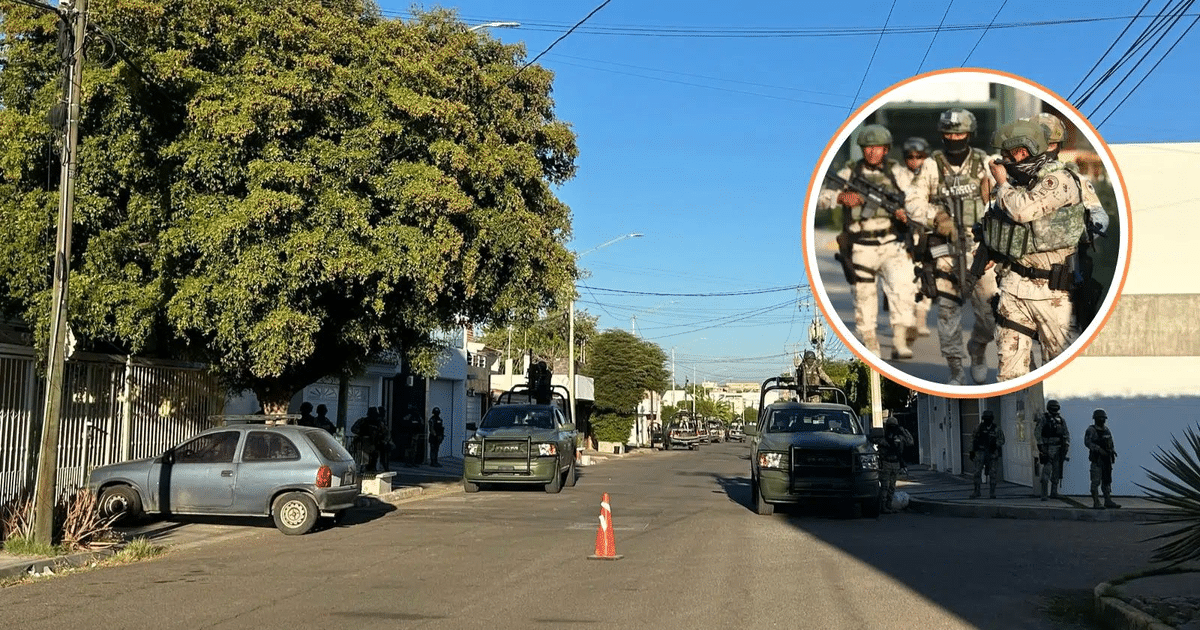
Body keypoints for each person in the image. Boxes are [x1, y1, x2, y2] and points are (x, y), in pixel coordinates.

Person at [984, 119, 1093, 380]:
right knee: (1009, 374)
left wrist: (1002, 184)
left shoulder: (1058, 179)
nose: (1004, 161)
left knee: (1059, 373)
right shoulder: (1020, 181)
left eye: (1007, 155)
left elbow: (1022, 210)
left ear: (1022, 151)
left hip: (1052, 293)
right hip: (1014, 287)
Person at [817, 124, 924, 359]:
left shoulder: (897, 173)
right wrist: (840, 197)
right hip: (861, 244)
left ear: (886, 150)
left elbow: (917, 197)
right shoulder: (849, 173)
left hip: (891, 242)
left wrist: (907, 213)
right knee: (864, 296)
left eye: (877, 148)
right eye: (867, 148)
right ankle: (871, 341)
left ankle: (899, 340)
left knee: (903, 290)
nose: (872, 152)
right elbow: (821, 198)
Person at [918, 108, 999, 385]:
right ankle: (955, 370)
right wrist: (937, 217)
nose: (954, 138)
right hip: (946, 249)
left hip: (980, 246)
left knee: (991, 312)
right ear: (942, 135)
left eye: (960, 133)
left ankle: (977, 348)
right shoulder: (931, 166)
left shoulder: (984, 163)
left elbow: (1001, 197)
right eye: (949, 133)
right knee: (947, 310)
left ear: (970, 134)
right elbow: (914, 202)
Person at [899, 136, 935, 338]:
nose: (915, 161)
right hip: (904, 233)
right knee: (905, 279)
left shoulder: (932, 174)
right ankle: (906, 320)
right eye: (910, 157)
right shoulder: (898, 176)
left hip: (927, 231)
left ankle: (920, 318)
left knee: (926, 275)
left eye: (919, 157)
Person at [1084, 408, 1120, 509]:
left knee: (1107, 480)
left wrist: (1111, 451)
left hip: (1106, 460)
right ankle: (1096, 502)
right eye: (1100, 418)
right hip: (1097, 459)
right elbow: (1087, 442)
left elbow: (1110, 442)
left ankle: (1107, 500)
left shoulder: (1106, 430)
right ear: (1095, 419)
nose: (1102, 420)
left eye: (1103, 418)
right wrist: (1098, 449)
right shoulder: (1091, 430)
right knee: (1095, 481)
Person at [878, 414, 914, 513]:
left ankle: (888, 506)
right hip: (886, 462)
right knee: (885, 486)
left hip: (896, 463)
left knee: (892, 487)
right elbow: (879, 445)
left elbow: (910, 442)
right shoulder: (884, 437)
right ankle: (883, 506)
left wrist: (903, 431)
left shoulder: (900, 436)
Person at [1035, 399, 1070, 500]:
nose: (1055, 409)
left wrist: (1066, 445)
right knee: (1046, 472)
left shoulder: (1061, 420)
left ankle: (1054, 492)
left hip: (1059, 448)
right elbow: (1037, 432)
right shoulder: (1043, 419)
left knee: (1057, 471)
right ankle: (1044, 494)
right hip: (1048, 448)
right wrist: (1041, 446)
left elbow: (1066, 434)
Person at [969, 409, 1005, 499]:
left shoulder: (996, 429)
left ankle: (992, 492)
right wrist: (972, 451)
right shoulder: (978, 428)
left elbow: (1002, 440)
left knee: (993, 473)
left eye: (988, 419)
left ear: (992, 419)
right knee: (977, 473)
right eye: (985, 419)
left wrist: (995, 444)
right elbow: (973, 440)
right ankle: (976, 491)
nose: (986, 421)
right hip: (980, 453)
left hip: (992, 453)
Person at [351, 407, 388, 473]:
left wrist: (381, 438)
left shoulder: (379, 423)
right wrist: (362, 433)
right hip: (364, 445)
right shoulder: (363, 421)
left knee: (373, 462)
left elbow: (385, 433)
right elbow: (353, 429)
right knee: (364, 462)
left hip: (375, 445)